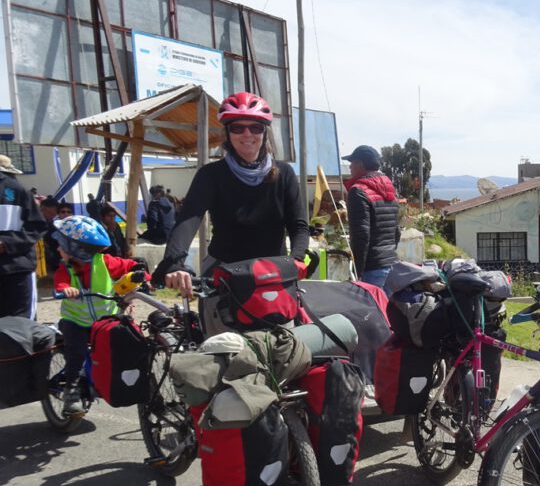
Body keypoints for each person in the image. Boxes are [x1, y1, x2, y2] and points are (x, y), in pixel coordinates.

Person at [155, 91, 309, 305]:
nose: (247, 134)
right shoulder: (211, 174)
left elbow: (299, 225)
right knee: (218, 337)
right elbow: (188, 220)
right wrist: (175, 263)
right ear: (227, 133)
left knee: (283, 336)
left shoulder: (284, 173)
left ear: (264, 133)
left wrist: (298, 258)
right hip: (224, 273)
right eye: (238, 128)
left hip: (273, 274)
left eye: (255, 128)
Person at [52, 215, 147, 415]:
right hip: (75, 322)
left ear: (75, 249)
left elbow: (129, 266)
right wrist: (65, 289)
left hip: (104, 321)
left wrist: (145, 277)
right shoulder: (64, 267)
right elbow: (60, 282)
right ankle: (72, 392)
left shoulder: (104, 261)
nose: (57, 249)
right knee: (76, 353)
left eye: (60, 245)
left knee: (125, 344)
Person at [342, 144, 399, 292]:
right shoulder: (390, 189)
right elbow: (396, 231)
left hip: (371, 268)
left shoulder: (358, 192)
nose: (350, 168)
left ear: (360, 165)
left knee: (369, 313)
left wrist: (357, 272)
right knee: (386, 312)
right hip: (390, 264)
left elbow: (361, 235)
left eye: (352, 163)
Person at [0, 154, 46, 318]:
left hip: (16, 268)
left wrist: (6, 243)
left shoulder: (16, 190)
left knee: (20, 323)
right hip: (16, 266)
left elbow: (37, 226)